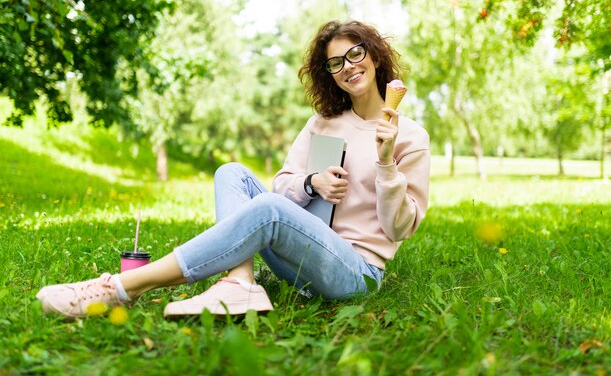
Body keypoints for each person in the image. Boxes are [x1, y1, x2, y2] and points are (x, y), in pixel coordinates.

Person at [36, 20, 430, 318]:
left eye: (356, 54)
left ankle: (120, 288)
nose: (348, 67)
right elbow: (282, 186)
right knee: (231, 172)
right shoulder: (322, 123)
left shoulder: (409, 136)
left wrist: (385, 163)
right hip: (301, 254)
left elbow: (399, 228)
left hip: (354, 271)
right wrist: (312, 183)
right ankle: (240, 281)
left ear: (374, 55)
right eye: (335, 63)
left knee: (267, 212)